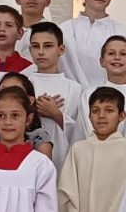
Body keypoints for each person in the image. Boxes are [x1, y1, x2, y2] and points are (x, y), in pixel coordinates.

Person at [74, 36, 126, 152]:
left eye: (123, 54)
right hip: (96, 160)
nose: (117, 58)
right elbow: (85, 132)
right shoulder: (89, 94)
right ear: (102, 61)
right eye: (111, 53)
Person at [26, 22, 85, 171]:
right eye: (35, 46)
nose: (40, 52)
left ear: (61, 49)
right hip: (26, 157)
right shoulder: (23, 82)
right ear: (29, 49)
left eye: (47, 46)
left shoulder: (75, 89)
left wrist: (56, 114)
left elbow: (82, 132)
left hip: (62, 159)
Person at [0, 74, 54, 159]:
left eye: (16, 92)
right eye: (2, 91)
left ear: (30, 100)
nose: (8, 97)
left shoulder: (39, 139)